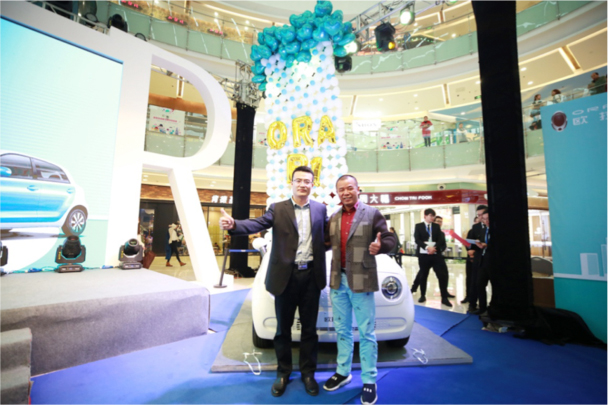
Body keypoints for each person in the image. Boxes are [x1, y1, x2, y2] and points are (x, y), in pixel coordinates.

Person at [219, 166, 328, 398]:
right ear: (292, 183)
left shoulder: (320, 209)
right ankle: (283, 373)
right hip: (285, 277)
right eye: (298, 180)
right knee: (282, 331)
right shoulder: (278, 208)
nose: (303, 184)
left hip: (311, 276)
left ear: (312, 184)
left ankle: (308, 373)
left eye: (307, 181)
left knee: (309, 330)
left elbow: (327, 237)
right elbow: (258, 223)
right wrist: (235, 225)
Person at [323, 174, 395, 405]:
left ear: (358, 189)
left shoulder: (372, 213)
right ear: (337, 192)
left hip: (362, 281)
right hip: (338, 281)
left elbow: (390, 239)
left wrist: (381, 246)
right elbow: (324, 243)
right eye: (341, 189)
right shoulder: (334, 217)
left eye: (349, 188)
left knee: (366, 333)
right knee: (342, 331)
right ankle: (343, 372)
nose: (345, 192)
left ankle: (369, 380)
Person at [410, 209, 453, 307]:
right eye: (430, 215)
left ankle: (444, 298)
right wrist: (427, 247)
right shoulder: (419, 226)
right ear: (425, 216)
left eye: (433, 216)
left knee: (441, 276)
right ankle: (423, 295)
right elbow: (417, 239)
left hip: (436, 255)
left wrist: (434, 248)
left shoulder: (436, 226)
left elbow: (441, 240)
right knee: (423, 275)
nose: (432, 218)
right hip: (424, 255)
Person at [465, 205, 488, 313]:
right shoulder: (475, 227)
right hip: (478, 260)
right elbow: (470, 242)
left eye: (482, 215)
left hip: (489, 260)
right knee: (475, 283)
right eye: (478, 215)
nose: (480, 217)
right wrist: (470, 250)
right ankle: (473, 304)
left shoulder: (491, 227)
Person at [471, 209, 491, 315]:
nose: (486, 221)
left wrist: (487, 245)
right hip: (482, 262)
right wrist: (479, 245)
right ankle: (482, 308)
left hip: (493, 262)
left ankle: (493, 307)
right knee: (479, 284)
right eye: (484, 219)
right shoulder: (483, 230)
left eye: (488, 219)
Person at [460, 216, 480, 306]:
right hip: (470, 257)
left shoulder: (483, 232)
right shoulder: (471, 231)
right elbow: (467, 243)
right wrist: (469, 252)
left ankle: (476, 297)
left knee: (478, 279)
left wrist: (474, 253)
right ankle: (468, 296)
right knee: (469, 277)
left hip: (478, 257)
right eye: (476, 222)